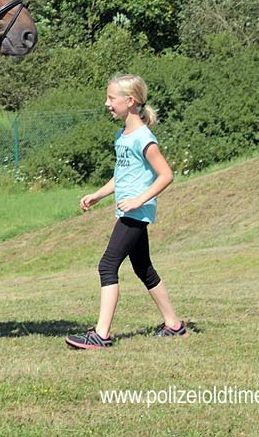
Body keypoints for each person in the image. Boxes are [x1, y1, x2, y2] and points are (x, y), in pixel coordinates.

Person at [65, 74, 189, 350]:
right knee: (143, 268)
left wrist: (138, 201)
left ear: (130, 101)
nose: (107, 103)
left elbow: (166, 175)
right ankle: (174, 325)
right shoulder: (122, 135)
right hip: (127, 212)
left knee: (108, 265)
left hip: (136, 213)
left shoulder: (144, 138)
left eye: (111, 98)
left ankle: (102, 334)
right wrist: (98, 195)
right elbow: (122, 176)